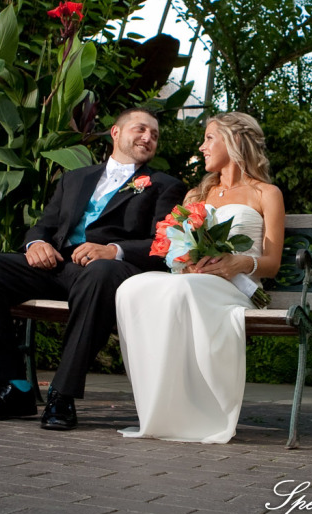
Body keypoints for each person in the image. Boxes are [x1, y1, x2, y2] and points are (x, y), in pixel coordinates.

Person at [0, 107, 186, 431]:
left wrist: (113, 250)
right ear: (116, 133)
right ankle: (11, 388)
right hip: (57, 266)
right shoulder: (75, 178)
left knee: (100, 273)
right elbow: (45, 225)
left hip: (111, 271)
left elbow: (163, 244)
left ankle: (61, 394)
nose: (148, 138)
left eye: (155, 135)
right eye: (141, 129)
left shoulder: (164, 185)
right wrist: (36, 244)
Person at [115, 112, 285, 444]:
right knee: (131, 288)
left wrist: (239, 263)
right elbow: (176, 249)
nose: (202, 146)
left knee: (181, 292)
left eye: (209, 138)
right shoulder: (197, 195)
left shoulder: (266, 194)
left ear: (233, 141)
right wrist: (186, 263)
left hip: (236, 289)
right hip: (194, 282)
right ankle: (159, 409)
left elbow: (272, 263)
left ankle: (202, 413)